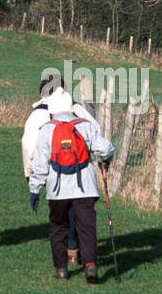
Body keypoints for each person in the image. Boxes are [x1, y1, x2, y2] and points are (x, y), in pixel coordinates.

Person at [29, 89, 115, 283]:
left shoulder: (47, 129)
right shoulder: (85, 126)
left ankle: (61, 269)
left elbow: (40, 164)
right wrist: (104, 159)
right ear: (71, 106)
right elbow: (106, 148)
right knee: (87, 227)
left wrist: (35, 188)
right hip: (85, 188)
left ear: (52, 109)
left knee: (58, 227)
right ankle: (90, 266)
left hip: (57, 189)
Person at [22, 77, 99, 266]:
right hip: (81, 172)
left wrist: (31, 176)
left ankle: (65, 259)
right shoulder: (79, 110)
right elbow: (96, 132)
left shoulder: (39, 114)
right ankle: (75, 252)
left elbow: (29, 146)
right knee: (77, 214)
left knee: (59, 218)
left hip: (53, 171)